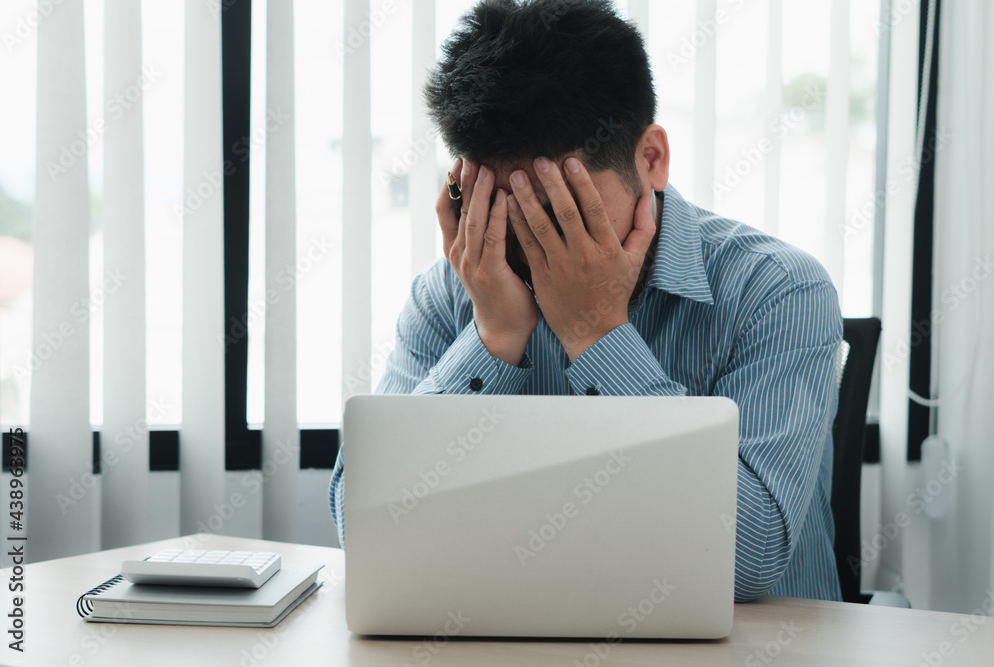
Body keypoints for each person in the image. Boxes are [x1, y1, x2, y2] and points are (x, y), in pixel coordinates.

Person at [331, 0, 843, 602]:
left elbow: (749, 556)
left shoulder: (777, 290)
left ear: (650, 158)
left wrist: (597, 334)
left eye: (559, 210)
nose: (529, 243)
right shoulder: (454, 291)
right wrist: (492, 338)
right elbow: (369, 532)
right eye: (494, 206)